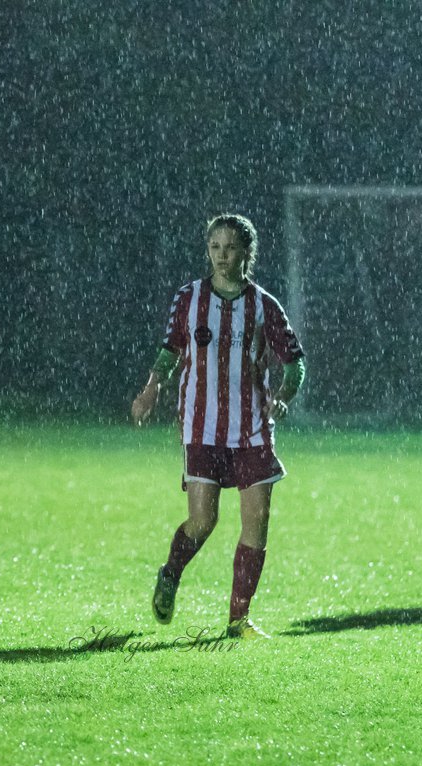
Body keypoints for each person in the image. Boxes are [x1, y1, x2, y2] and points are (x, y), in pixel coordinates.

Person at [131, 214, 306, 640]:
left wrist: (283, 396)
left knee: (257, 520)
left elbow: (295, 361)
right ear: (207, 250)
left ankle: (237, 621)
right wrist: (151, 388)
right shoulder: (189, 299)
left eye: (230, 247)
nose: (222, 255)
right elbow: (170, 349)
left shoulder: (264, 305)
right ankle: (171, 573)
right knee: (203, 521)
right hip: (200, 425)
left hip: (251, 428)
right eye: (215, 247)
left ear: (247, 252)